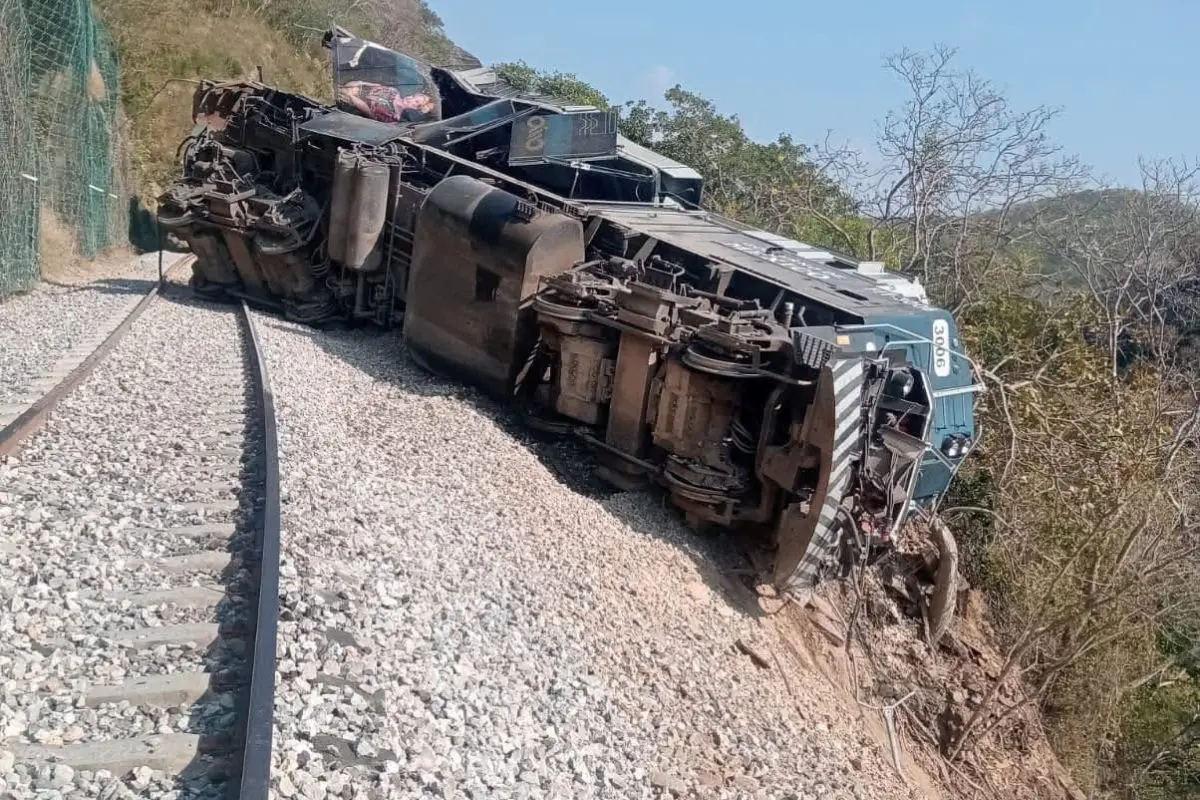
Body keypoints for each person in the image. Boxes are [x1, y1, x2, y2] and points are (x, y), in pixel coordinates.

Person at [337, 80, 436, 124]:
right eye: (413, 96)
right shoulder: (394, 91)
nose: (410, 98)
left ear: (415, 109)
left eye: (415, 102)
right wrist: (358, 84)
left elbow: (367, 112)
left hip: (347, 106)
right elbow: (368, 84)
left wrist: (350, 96)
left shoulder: (393, 117)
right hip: (347, 90)